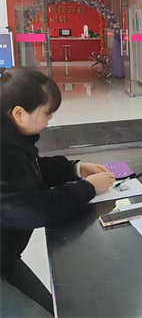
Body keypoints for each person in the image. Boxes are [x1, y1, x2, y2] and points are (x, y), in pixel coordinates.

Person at [0, 67, 115, 318]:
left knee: (54, 310)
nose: (50, 119)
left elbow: (30, 169)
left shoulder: (11, 137)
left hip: (6, 258)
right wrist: (88, 187)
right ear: (19, 113)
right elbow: (33, 210)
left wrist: (75, 168)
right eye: (46, 113)